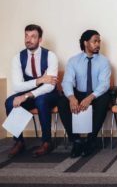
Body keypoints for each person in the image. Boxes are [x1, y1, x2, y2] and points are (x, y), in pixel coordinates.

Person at [5, 24, 59, 158]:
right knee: (10, 102)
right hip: (29, 93)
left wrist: (27, 94)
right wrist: (39, 80)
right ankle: (19, 141)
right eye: (26, 36)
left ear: (40, 39)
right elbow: (17, 86)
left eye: (33, 36)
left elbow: (50, 86)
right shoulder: (18, 58)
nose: (28, 40)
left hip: (48, 94)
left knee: (41, 100)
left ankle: (47, 141)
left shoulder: (51, 56)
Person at [58, 30, 111, 158]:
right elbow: (67, 82)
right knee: (62, 102)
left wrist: (91, 97)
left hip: (96, 94)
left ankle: (90, 140)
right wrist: (71, 98)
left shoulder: (104, 61)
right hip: (78, 93)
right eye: (95, 41)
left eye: (99, 41)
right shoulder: (73, 61)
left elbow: (104, 84)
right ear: (86, 43)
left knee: (104, 100)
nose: (98, 44)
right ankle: (76, 141)